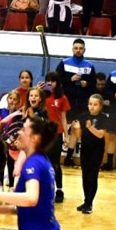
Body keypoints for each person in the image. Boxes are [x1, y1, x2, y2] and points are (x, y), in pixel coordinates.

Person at [56, 38, 95, 166]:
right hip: (66, 102)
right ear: (72, 49)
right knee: (62, 128)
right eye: (76, 48)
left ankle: (68, 158)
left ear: (84, 50)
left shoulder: (89, 66)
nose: (78, 50)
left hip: (82, 105)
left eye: (80, 48)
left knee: (75, 130)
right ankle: (55, 155)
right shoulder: (64, 63)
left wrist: (86, 84)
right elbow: (56, 81)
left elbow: (94, 86)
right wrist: (70, 79)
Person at [73, 94, 108, 214]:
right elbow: (79, 136)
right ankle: (86, 200)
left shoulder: (103, 118)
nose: (92, 107)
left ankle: (89, 203)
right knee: (85, 176)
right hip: (85, 149)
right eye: (90, 104)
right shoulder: (83, 116)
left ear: (100, 106)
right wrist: (77, 128)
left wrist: (90, 127)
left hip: (97, 150)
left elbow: (100, 134)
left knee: (93, 177)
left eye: (95, 104)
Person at [44, 71, 69, 202]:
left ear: (57, 83)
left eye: (53, 81)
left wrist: (67, 135)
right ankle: (46, 188)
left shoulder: (62, 98)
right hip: (44, 134)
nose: (50, 83)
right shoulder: (42, 95)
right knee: (44, 162)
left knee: (56, 163)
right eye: (48, 80)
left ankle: (59, 189)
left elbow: (64, 118)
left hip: (57, 134)